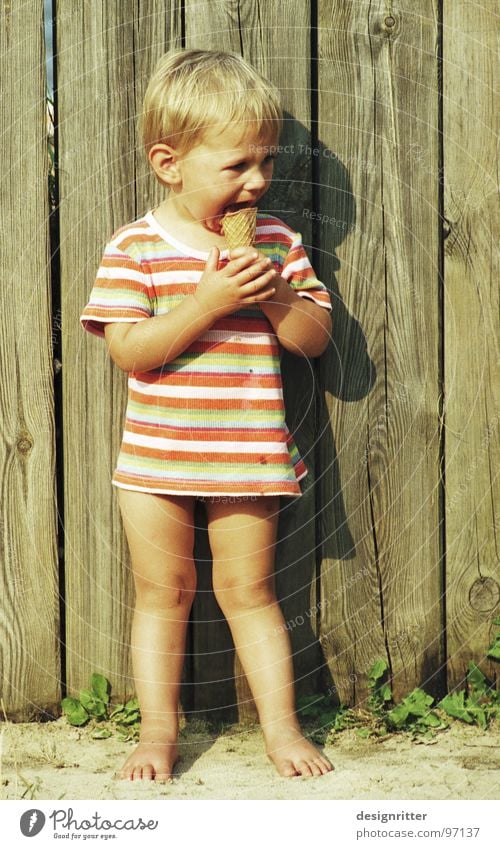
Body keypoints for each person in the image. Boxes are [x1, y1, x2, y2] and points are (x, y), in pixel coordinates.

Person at [80, 48, 333, 781]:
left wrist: (276, 297)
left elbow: (313, 340)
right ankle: (158, 736)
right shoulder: (136, 249)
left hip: (245, 454)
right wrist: (207, 303)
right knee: (163, 593)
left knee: (249, 592)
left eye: (266, 162)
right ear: (170, 163)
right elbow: (131, 351)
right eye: (236, 166)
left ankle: (282, 730)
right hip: (156, 462)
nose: (257, 182)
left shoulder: (278, 245)